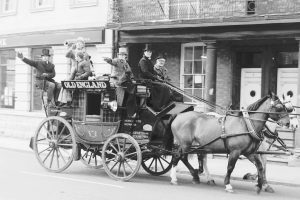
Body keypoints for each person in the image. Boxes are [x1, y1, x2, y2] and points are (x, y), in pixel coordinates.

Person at [103, 47, 137, 117]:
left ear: (125, 56)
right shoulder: (117, 61)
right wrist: (108, 60)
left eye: (123, 55)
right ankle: (117, 109)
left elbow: (130, 73)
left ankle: (128, 110)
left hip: (123, 82)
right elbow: (112, 61)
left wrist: (133, 79)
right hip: (116, 81)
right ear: (118, 55)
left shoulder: (126, 64)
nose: (121, 56)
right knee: (118, 93)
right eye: (120, 55)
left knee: (132, 91)